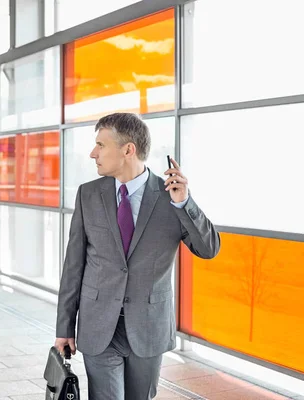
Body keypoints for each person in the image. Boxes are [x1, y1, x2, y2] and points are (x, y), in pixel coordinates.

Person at [54, 113, 220, 400]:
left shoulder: (172, 197)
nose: (93, 153)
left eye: (101, 145)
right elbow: (74, 266)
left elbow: (208, 249)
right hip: (99, 325)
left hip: (148, 326)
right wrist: (64, 327)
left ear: (128, 149)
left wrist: (185, 204)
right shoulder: (88, 195)